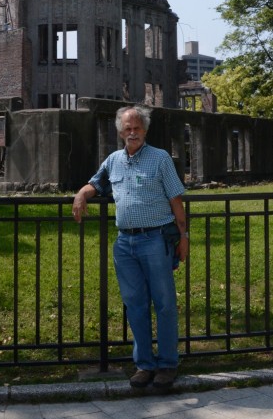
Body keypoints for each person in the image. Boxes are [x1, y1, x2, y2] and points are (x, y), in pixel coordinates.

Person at [72, 105, 189, 392]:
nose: (132, 132)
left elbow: (176, 201)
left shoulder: (160, 159)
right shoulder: (113, 161)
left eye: (137, 127)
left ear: (145, 130)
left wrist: (184, 236)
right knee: (135, 305)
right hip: (125, 243)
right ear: (120, 131)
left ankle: (167, 365)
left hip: (156, 239)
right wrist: (80, 195)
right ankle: (144, 365)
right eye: (127, 128)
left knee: (164, 304)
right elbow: (95, 184)